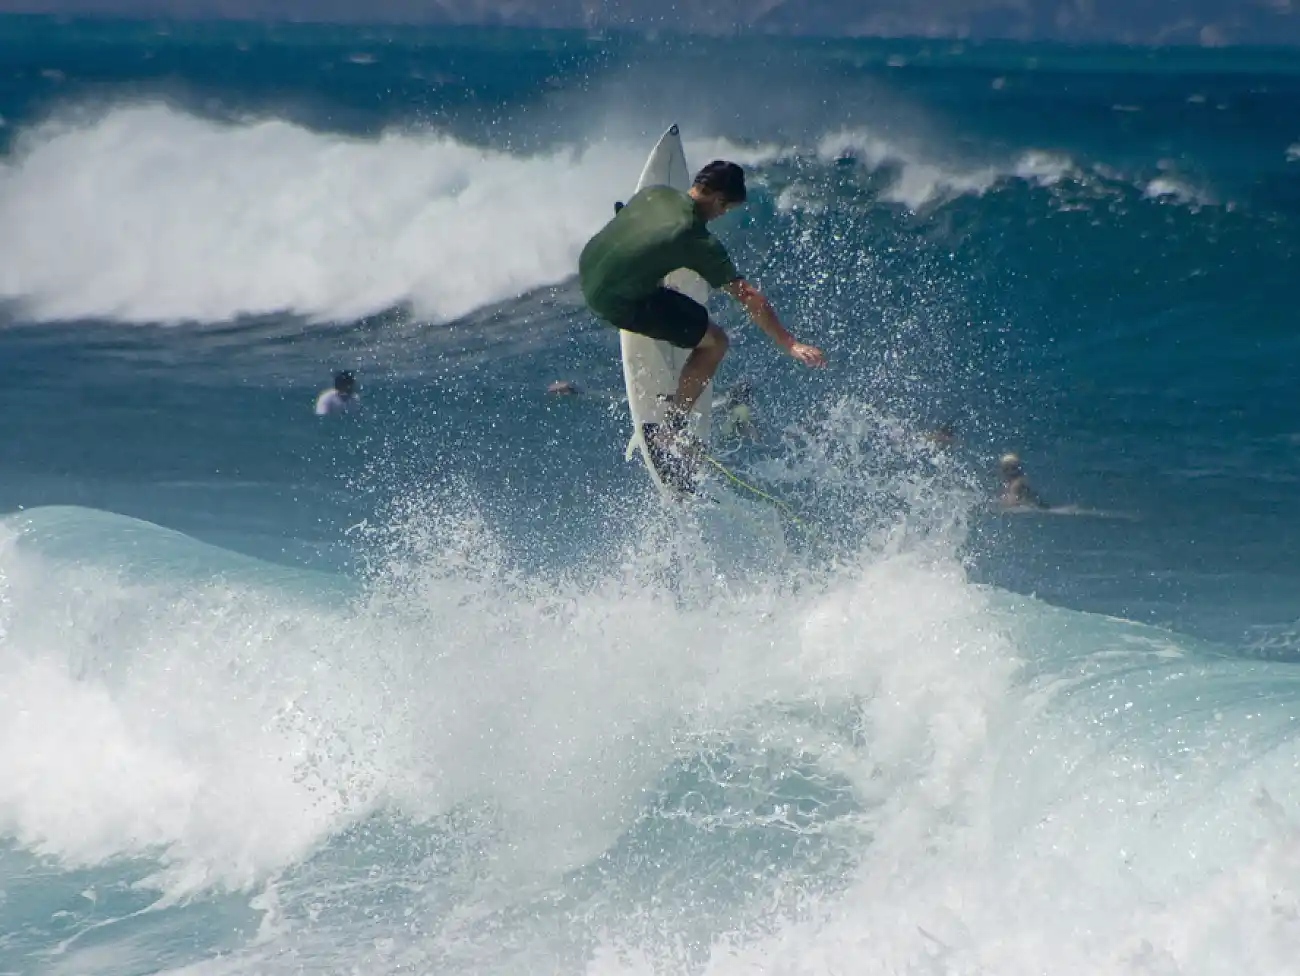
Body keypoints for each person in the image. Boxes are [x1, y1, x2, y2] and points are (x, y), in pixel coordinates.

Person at [578, 160, 825, 457]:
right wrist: (790, 343)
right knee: (716, 342)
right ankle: (670, 430)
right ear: (718, 199)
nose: (722, 215)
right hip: (613, 302)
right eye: (725, 209)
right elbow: (747, 295)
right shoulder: (694, 237)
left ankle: (649, 285)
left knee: (661, 266)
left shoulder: (655, 193)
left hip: (588, 270)